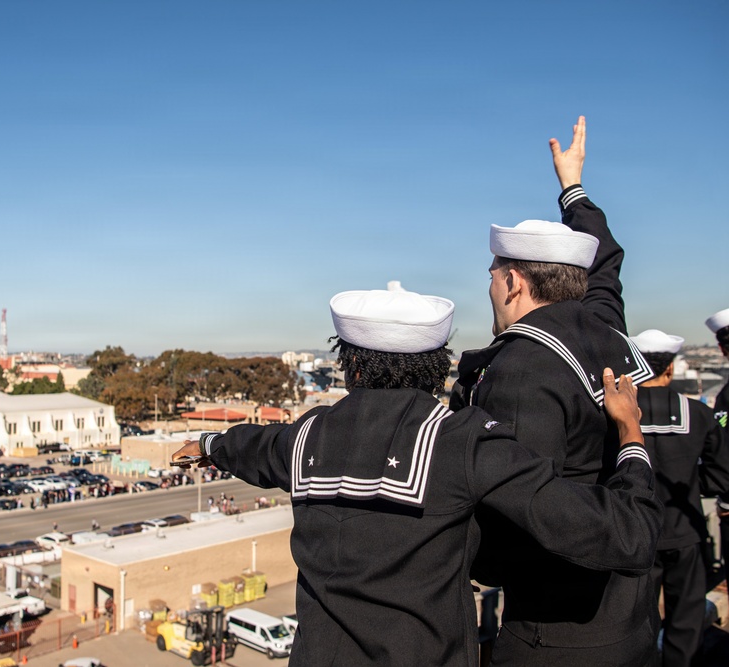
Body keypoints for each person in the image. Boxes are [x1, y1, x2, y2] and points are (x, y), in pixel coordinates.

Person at [172, 283, 661, 667]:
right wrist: (631, 435)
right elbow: (627, 535)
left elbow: (255, 446)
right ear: (436, 366)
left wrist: (210, 444)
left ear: (350, 366)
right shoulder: (463, 441)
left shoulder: (306, 437)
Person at [451, 116, 657, 665]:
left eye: (493, 275)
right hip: (632, 613)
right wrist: (574, 188)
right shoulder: (603, 324)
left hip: (559, 630)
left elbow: (523, 513)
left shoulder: (519, 369)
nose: (490, 286)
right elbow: (606, 260)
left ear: (514, 282)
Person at [630, 329, 729, 666]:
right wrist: (691, 483)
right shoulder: (698, 415)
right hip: (684, 532)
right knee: (685, 620)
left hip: (634, 533)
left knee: (635, 619)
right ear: (670, 369)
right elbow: (723, 473)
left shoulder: (615, 414)